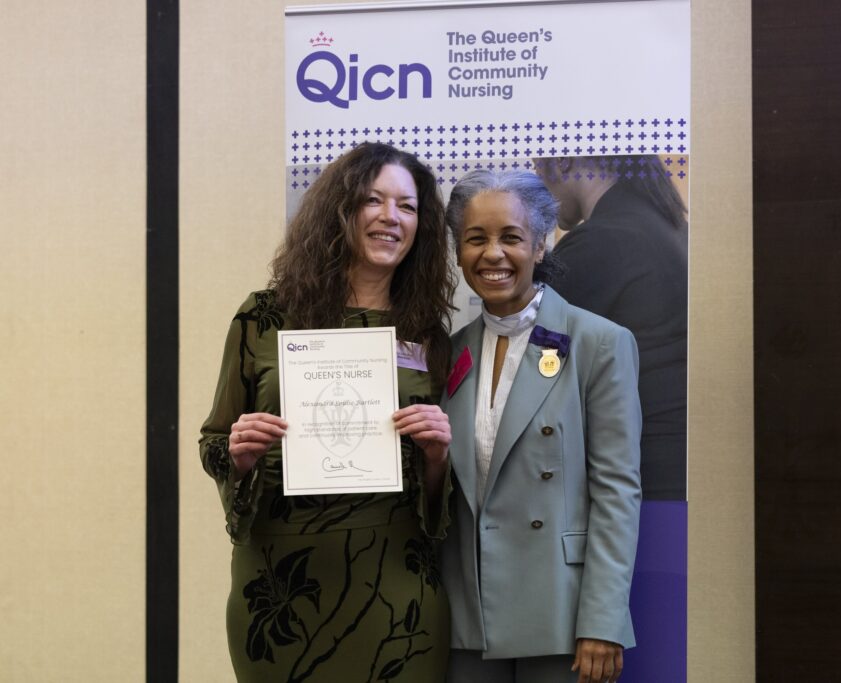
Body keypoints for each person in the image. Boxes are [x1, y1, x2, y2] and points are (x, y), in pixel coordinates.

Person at [199, 142, 456, 682]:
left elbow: (437, 495)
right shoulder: (263, 317)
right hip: (281, 585)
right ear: (340, 210)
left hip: (395, 586)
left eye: (407, 206)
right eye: (373, 200)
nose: (391, 217)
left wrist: (437, 456)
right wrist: (240, 454)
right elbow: (214, 443)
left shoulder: (425, 334)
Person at [440, 169, 643, 683]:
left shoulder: (598, 341)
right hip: (469, 618)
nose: (492, 254)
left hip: (562, 614)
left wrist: (603, 620)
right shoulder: (449, 353)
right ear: (458, 251)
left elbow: (617, 490)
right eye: (475, 239)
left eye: (510, 237)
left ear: (541, 244)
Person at [534, 155, 688, 681]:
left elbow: (528, 379)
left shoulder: (603, 242)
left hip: (638, 500)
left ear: (569, 156)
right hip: (668, 495)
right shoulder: (661, 225)